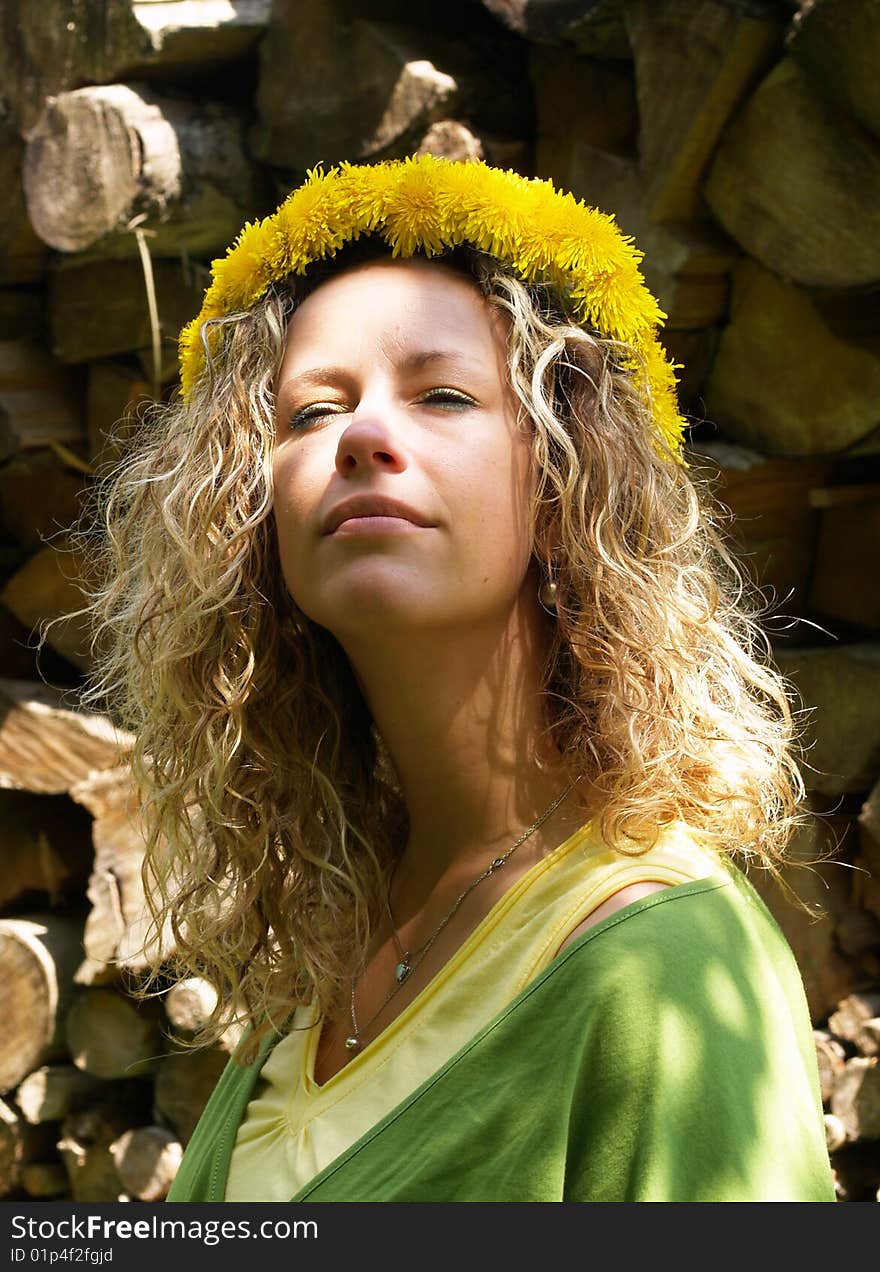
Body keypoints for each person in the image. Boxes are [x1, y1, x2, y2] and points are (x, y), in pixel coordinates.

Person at [77, 155, 836, 1202]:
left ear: (570, 477)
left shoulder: (661, 963)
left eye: (441, 394)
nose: (364, 437)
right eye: (310, 413)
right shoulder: (328, 956)